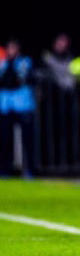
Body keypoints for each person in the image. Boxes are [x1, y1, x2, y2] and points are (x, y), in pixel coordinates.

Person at [0, 39, 35, 176]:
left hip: (23, 105)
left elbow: (20, 79)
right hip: (5, 105)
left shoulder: (25, 61)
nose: (11, 51)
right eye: (9, 48)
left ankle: (29, 169)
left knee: (27, 139)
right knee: (5, 138)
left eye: (13, 48)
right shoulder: (3, 63)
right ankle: (5, 169)